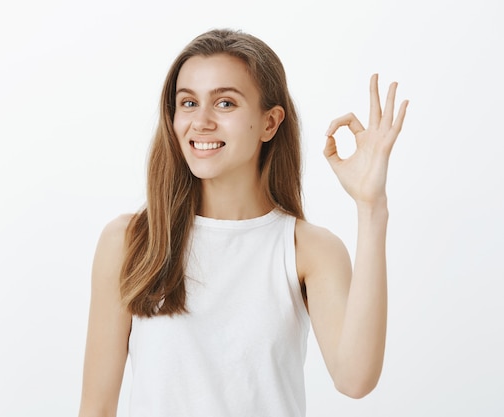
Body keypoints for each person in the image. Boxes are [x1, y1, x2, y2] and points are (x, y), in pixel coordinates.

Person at [78, 28, 408, 417]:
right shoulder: (130, 241)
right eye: (187, 103)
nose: (200, 122)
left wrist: (371, 207)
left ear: (270, 123)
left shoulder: (309, 250)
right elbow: (97, 407)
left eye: (225, 104)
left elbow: (355, 380)